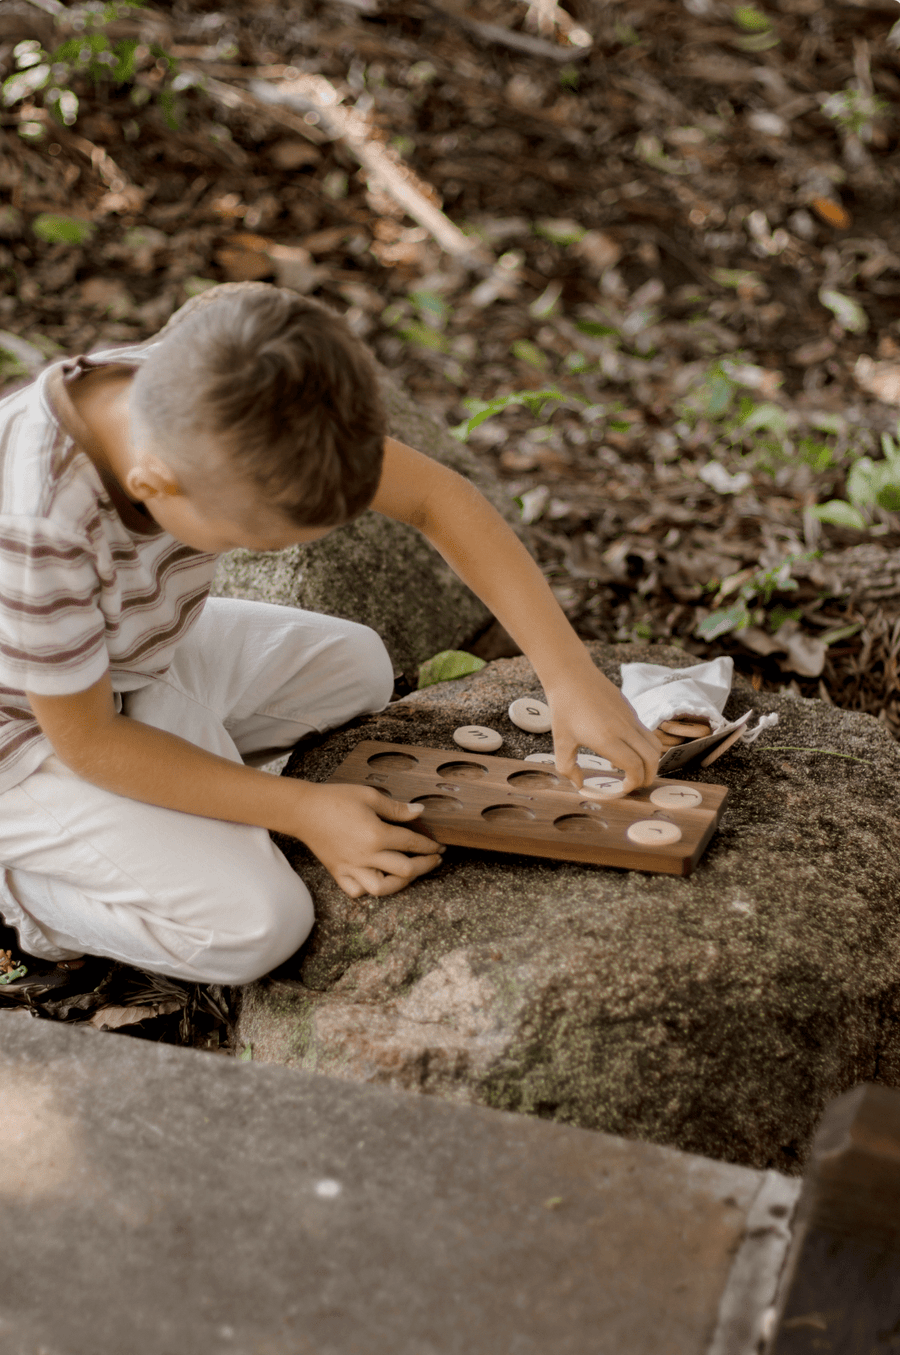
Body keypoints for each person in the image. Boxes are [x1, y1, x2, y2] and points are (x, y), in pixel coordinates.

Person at [0, 283, 658, 989]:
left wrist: (569, 674)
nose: (273, 551)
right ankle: (25, 895)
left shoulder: (217, 385)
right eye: (252, 541)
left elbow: (436, 498)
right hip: (29, 738)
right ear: (154, 482)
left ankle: (181, 781)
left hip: (127, 660)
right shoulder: (39, 528)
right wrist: (303, 810)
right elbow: (92, 743)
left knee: (359, 665)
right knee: (259, 926)